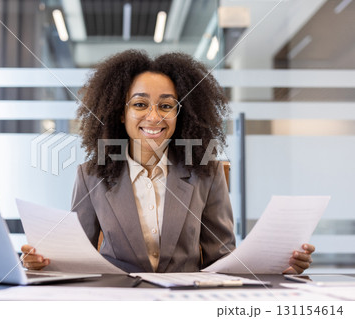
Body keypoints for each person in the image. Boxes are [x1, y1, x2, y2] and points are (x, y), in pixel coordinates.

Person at [21, 50, 314, 273]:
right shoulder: (91, 174)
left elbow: (222, 258)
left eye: (166, 105)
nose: (154, 117)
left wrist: (279, 267)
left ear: (179, 113)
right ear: (120, 114)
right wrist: (42, 262)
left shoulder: (205, 172)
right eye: (139, 104)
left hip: (186, 304)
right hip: (117, 303)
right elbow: (77, 257)